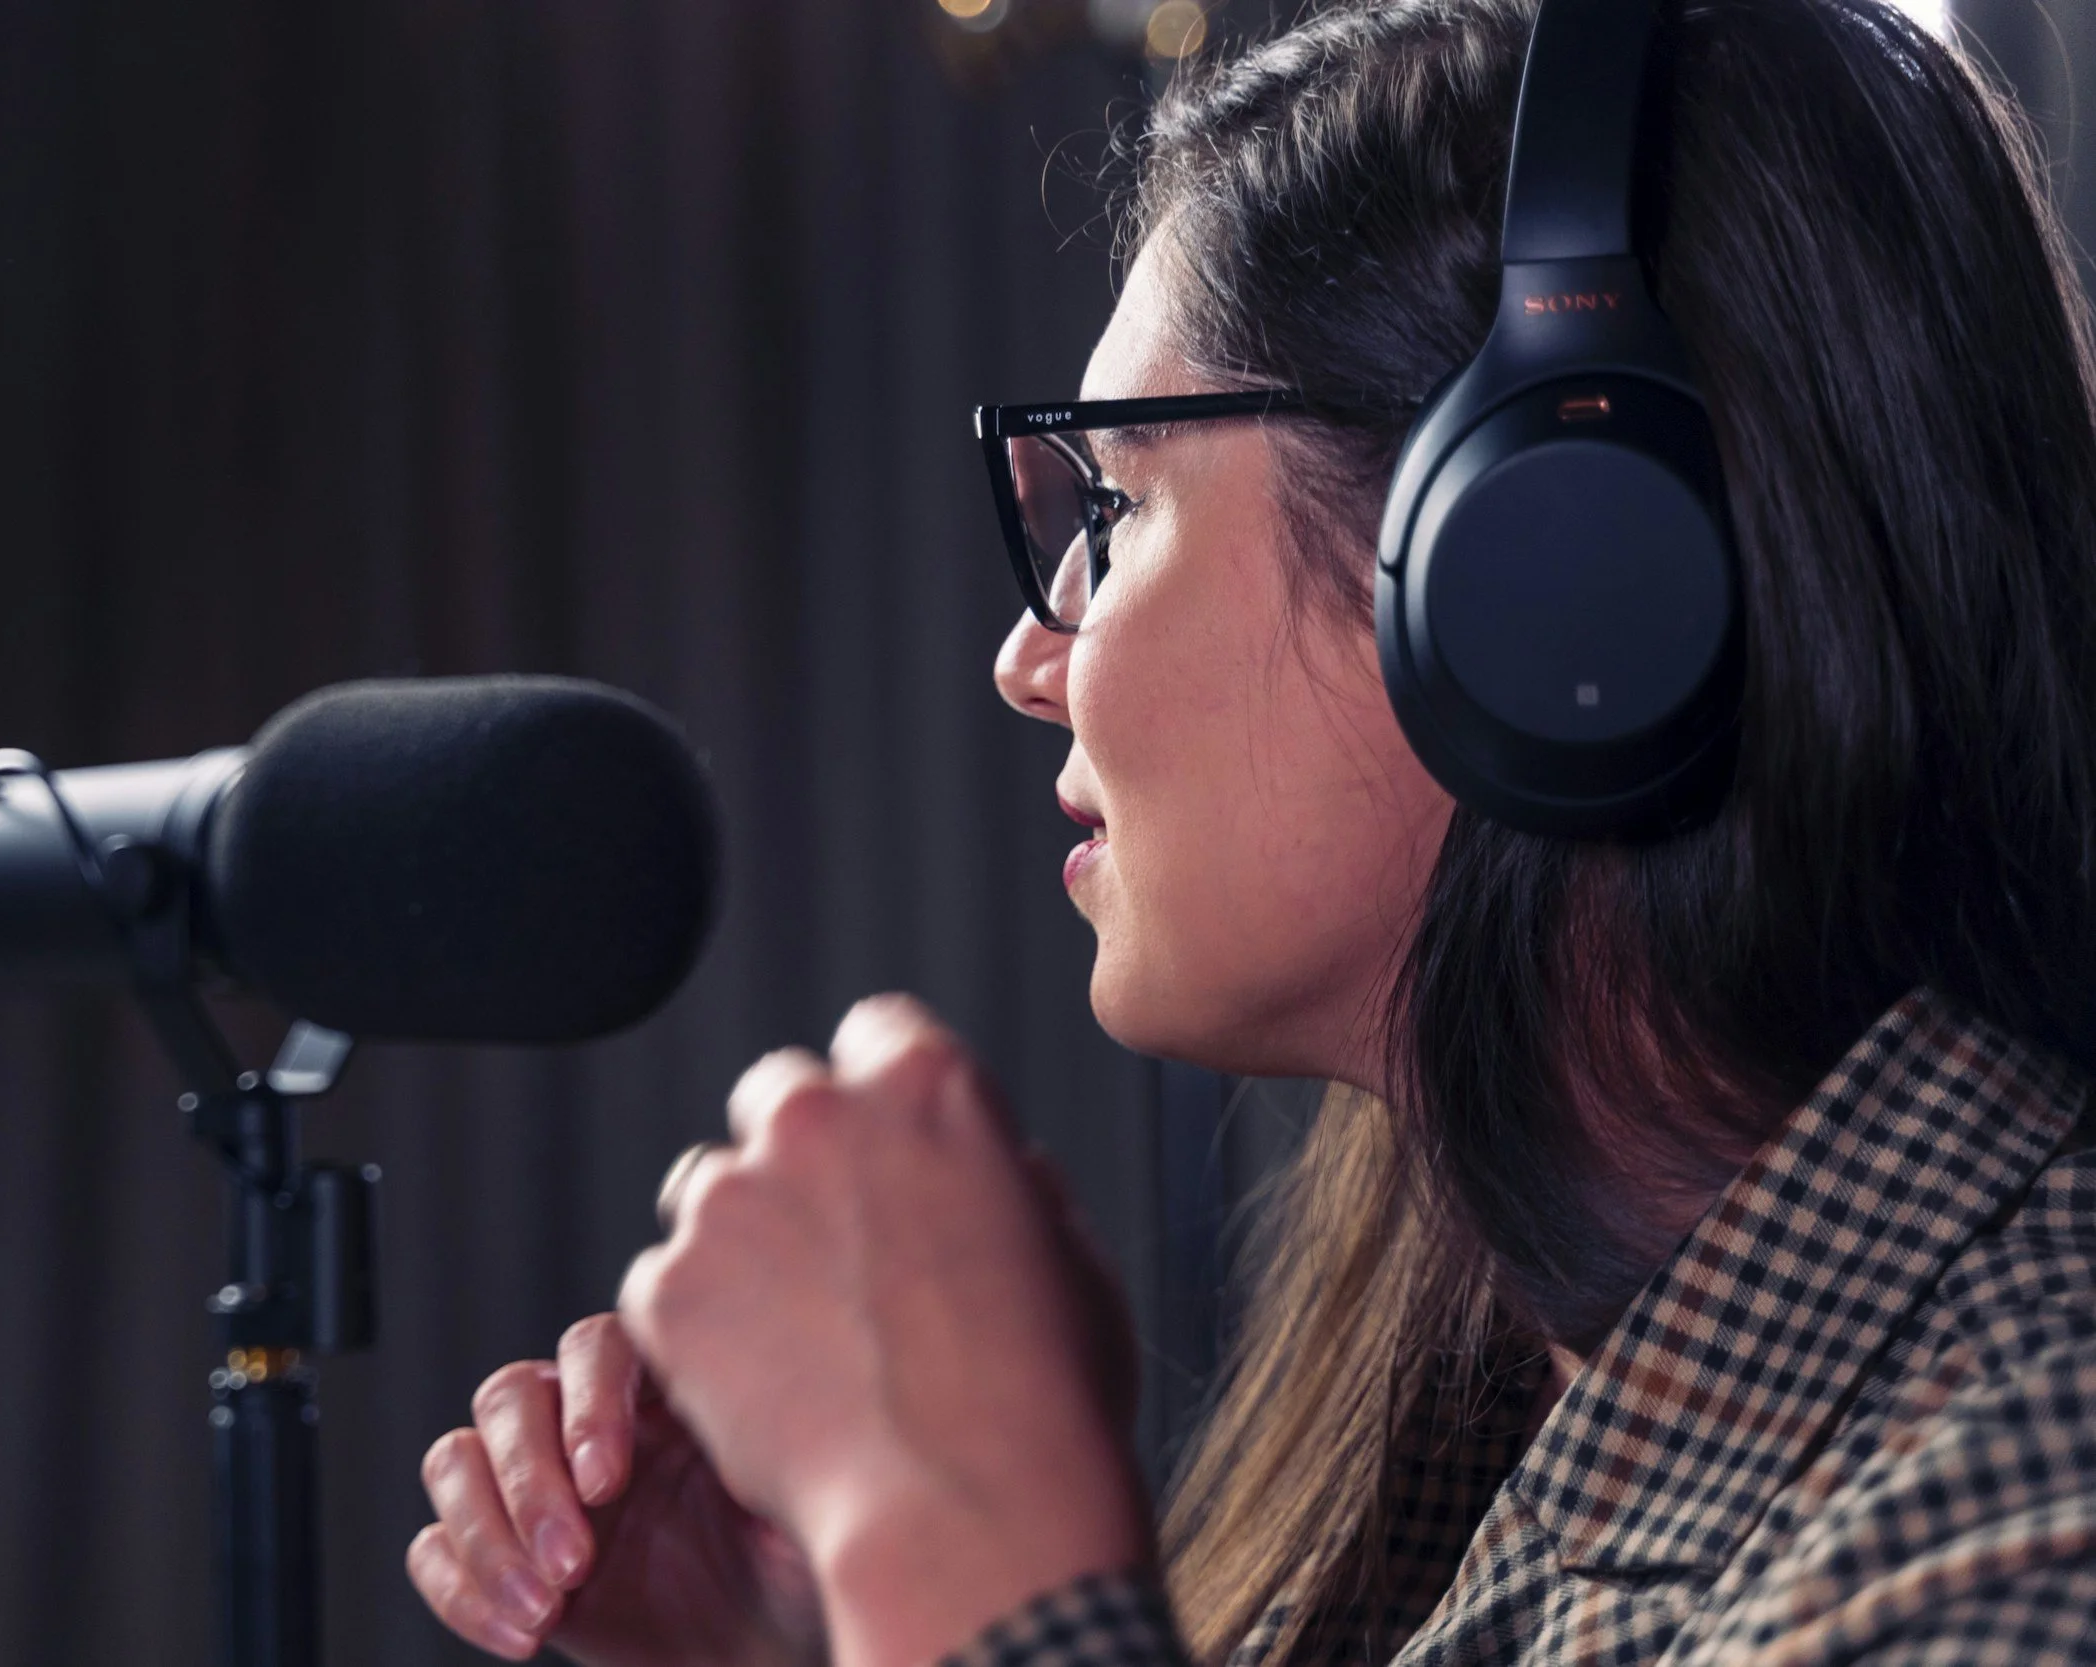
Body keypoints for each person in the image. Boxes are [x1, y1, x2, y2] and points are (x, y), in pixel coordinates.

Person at [405, 0, 2096, 1661]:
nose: (1026, 659)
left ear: (1531, 565)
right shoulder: (1515, 1454)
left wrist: (944, 1525)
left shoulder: (2032, 1498)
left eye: (1117, 509)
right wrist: (810, 1631)